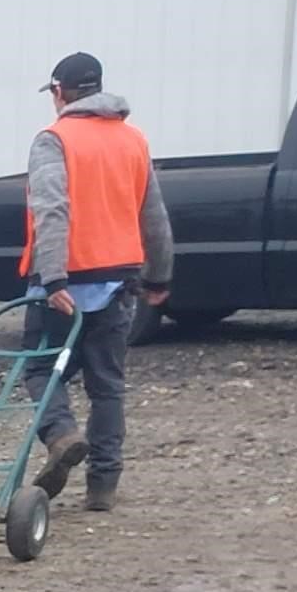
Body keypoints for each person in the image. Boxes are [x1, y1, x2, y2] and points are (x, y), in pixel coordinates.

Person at [19, 51, 173, 511]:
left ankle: (62, 434)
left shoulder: (54, 140)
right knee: (107, 384)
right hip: (119, 282)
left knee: (41, 369)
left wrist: (52, 278)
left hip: (66, 283)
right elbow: (154, 215)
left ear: (60, 93)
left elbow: (51, 209)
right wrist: (159, 276)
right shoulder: (133, 141)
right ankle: (103, 485)